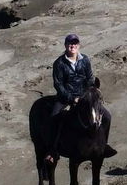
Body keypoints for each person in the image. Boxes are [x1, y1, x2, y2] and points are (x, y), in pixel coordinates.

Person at [48, 33, 114, 161]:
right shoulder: (59, 63)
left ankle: (103, 145)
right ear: (66, 45)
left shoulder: (85, 60)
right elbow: (58, 85)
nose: (72, 45)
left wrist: (91, 92)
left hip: (84, 97)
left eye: (75, 43)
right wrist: (71, 98)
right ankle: (53, 150)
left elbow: (89, 78)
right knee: (54, 117)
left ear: (78, 46)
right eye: (70, 43)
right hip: (65, 98)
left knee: (107, 116)